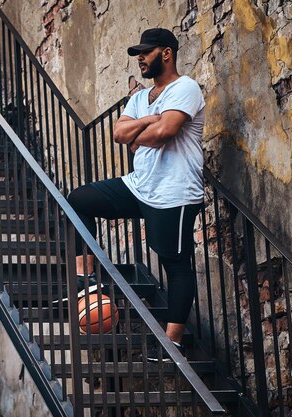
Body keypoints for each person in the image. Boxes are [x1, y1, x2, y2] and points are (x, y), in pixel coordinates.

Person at [67, 28, 205, 362]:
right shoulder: (140, 98)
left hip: (175, 192)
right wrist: (151, 121)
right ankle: (87, 276)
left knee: (175, 263)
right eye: (137, 53)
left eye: (146, 52)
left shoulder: (185, 88)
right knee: (79, 200)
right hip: (138, 184)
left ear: (166, 53)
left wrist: (144, 130)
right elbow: (119, 133)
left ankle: (173, 341)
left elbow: (166, 132)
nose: (140, 59)